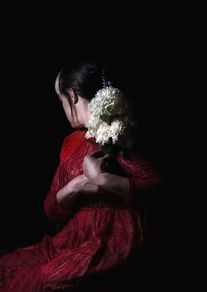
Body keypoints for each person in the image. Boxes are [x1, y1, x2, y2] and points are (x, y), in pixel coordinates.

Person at [0, 61, 165, 291]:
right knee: (8, 265)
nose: (63, 109)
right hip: (72, 239)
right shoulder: (70, 143)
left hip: (113, 242)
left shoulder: (120, 133)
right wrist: (73, 188)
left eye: (61, 102)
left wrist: (104, 180)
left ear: (72, 95)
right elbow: (51, 211)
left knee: (41, 280)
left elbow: (160, 189)